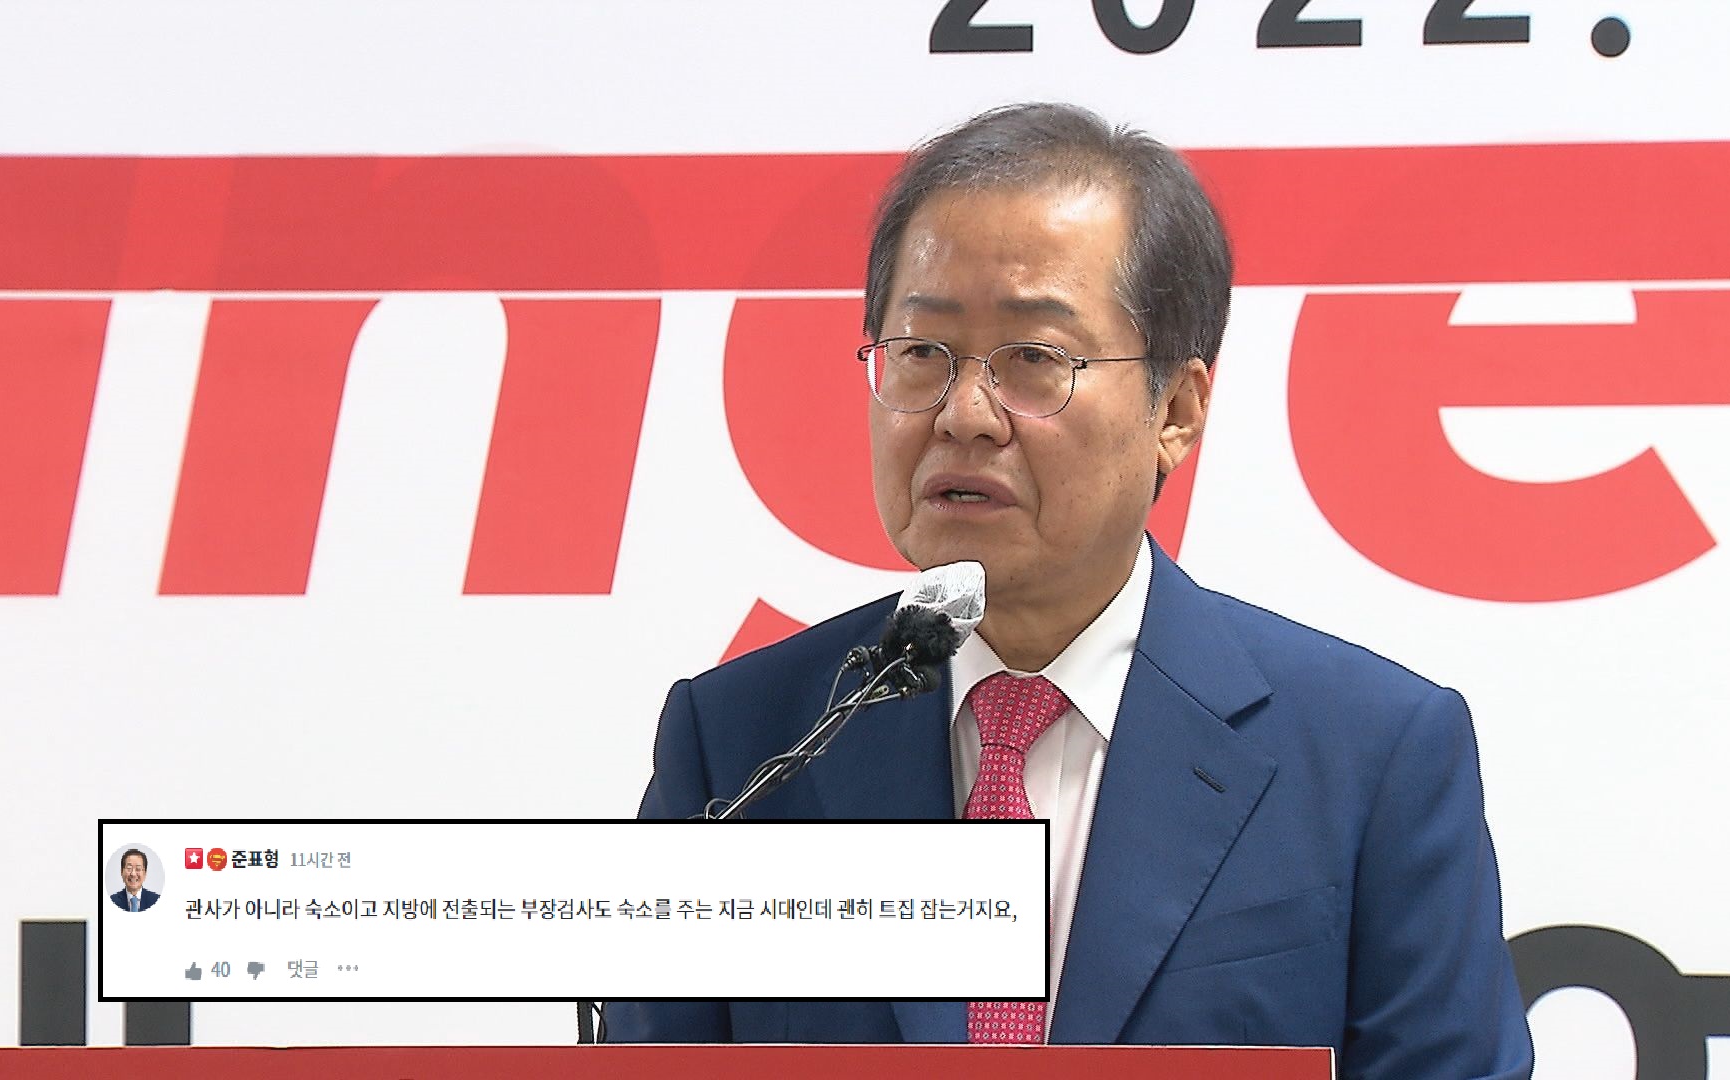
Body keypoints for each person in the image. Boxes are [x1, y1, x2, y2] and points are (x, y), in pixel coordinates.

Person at [605, 103, 1532, 1078]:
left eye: (1034, 361)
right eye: (921, 354)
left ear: (1176, 411)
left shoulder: (1372, 757)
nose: (965, 415)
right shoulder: (742, 747)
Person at [109, 848, 159, 912]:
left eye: (138, 869)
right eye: (129, 868)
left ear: (145, 873)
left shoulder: (156, 900)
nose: (133, 874)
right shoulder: (112, 901)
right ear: (121, 872)